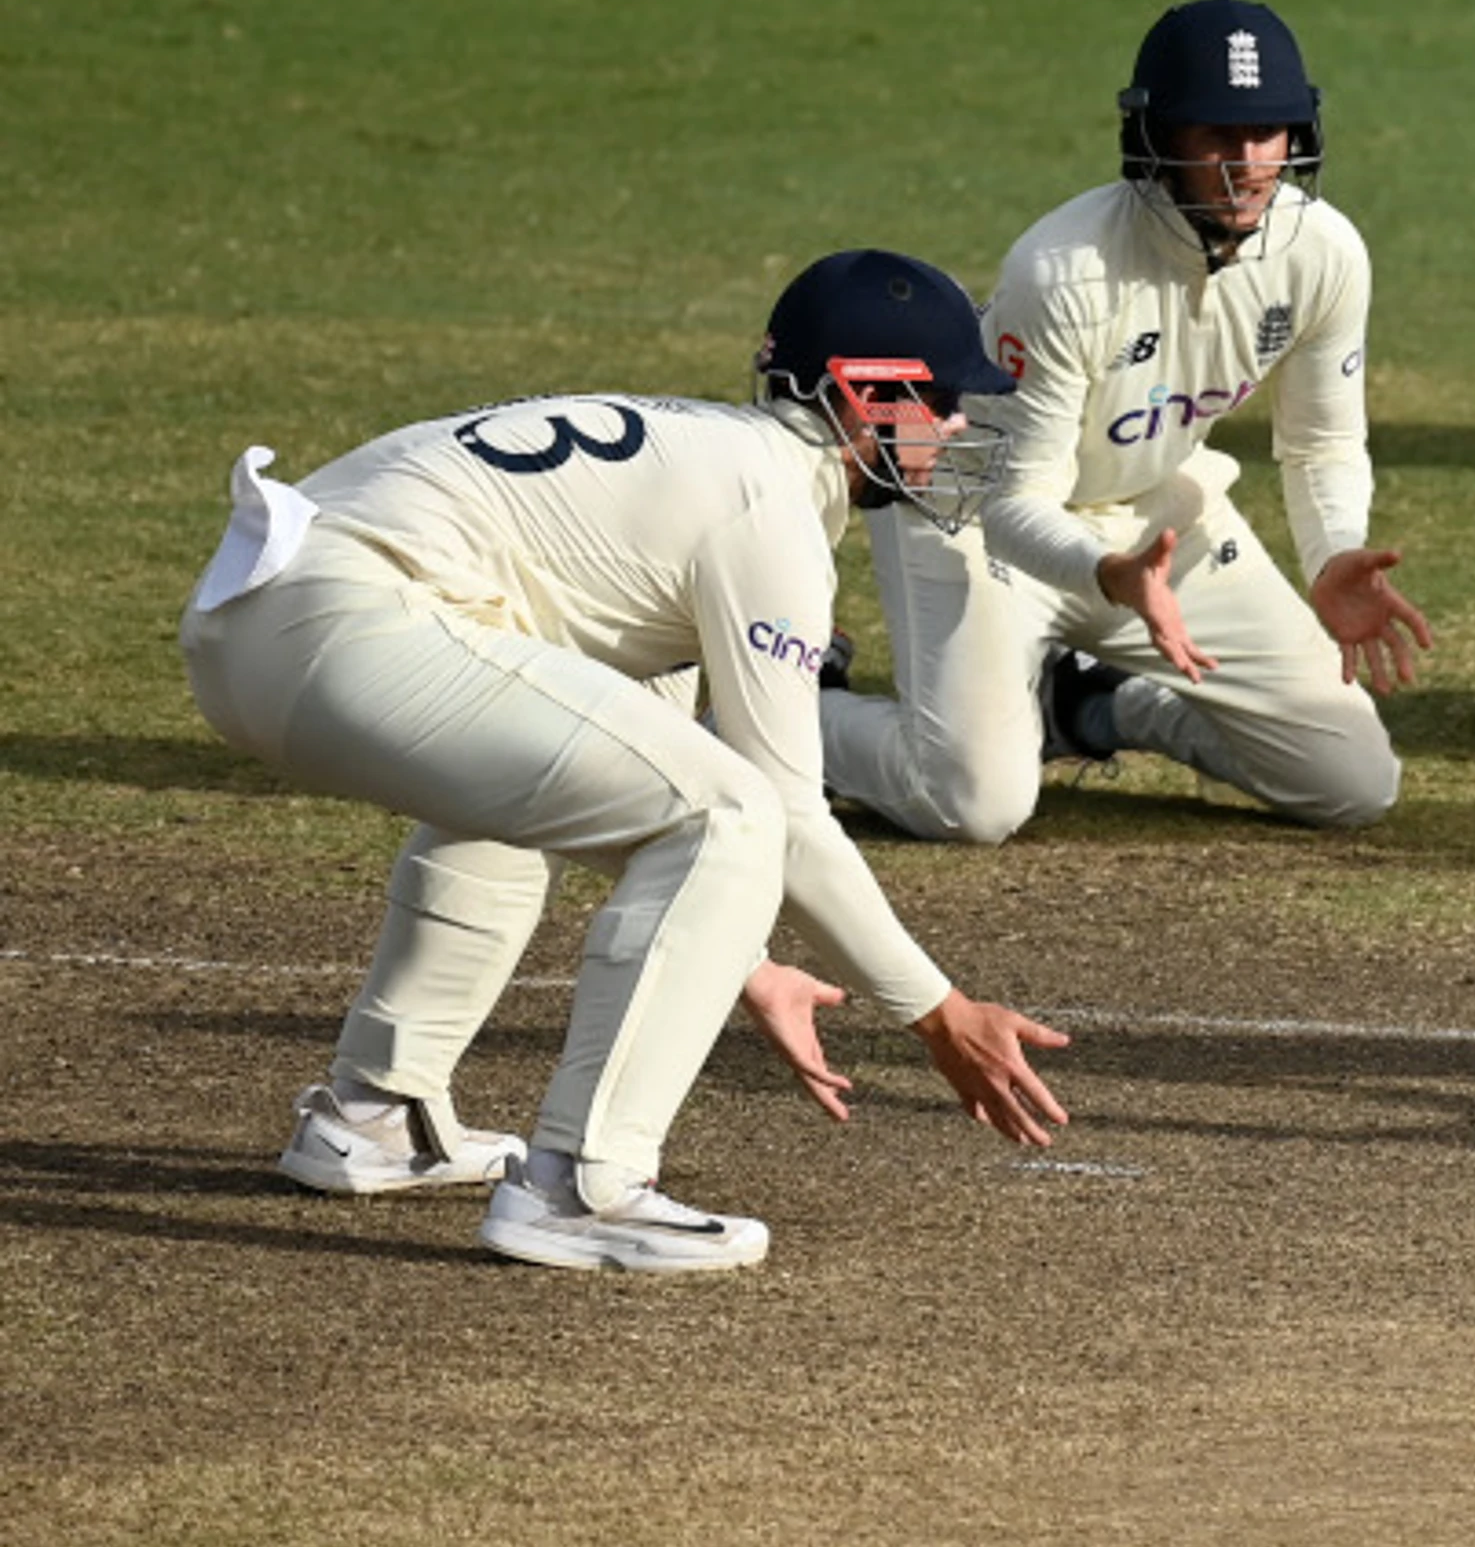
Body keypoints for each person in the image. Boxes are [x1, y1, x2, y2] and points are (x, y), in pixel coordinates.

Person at [182, 249, 1074, 1273]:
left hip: (247, 628)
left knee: (557, 801)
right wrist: (938, 1012)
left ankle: (376, 1115)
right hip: (348, 621)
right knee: (732, 816)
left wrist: (749, 962)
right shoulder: (766, 506)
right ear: (867, 395)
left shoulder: (702, 467)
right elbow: (778, 813)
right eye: (946, 401)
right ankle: (582, 1186)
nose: (959, 426)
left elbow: (629, 769)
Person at [821, 0, 1430, 842]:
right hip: (979, 520)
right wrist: (1112, 575)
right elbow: (1011, 501)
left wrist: (1330, 553)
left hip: (1154, 520)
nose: (1247, 162)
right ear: (1154, 138)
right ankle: (790, 716)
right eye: (1215, 134)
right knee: (974, 803)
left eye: (1268, 131)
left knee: (1351, 780)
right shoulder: (1064, 270)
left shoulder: (1324, 252)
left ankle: (1095, 704)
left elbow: (1322, 439)